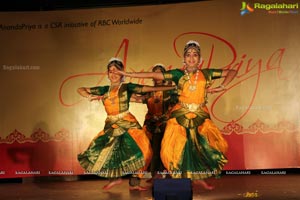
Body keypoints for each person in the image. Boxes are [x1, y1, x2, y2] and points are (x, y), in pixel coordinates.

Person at [113, 40, 237, 190]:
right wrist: (127, 74)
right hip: (178, 117)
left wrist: (223, 86)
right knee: (170, 150)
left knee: (211, 146)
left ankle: (195, 178)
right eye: (188, 55)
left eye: (195, 55)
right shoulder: (178, 74)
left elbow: (232, 72)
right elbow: (152, 74)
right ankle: (169, 178)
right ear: (183, 59)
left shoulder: (207, 73)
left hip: (199, 116)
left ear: (200, 58)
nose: (191, 58)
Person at [77, 58, 176, 191]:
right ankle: (115, 179)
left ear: (122, 73)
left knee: (145, 150)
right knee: (112, 152)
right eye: (110, 71)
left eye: (116, 70)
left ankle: (136, 181)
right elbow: (81, 89)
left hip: (129, 124)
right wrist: (88, 96)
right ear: (107, 74)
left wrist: (174, 87)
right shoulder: (104, 90)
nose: (113, 73)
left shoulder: (127, 87)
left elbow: (150, 88)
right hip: (112, 125)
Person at [131, 64, 178, 183]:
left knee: (166, 149)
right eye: (155, 74)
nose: (157, 77)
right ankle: (154, 174)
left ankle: (168, 174)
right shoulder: (149, 91)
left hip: (166, 124)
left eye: (159, 74)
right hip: (152, 124)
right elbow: (137, 98)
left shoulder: (171, 91)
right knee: (151, 149)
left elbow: (180, 101)